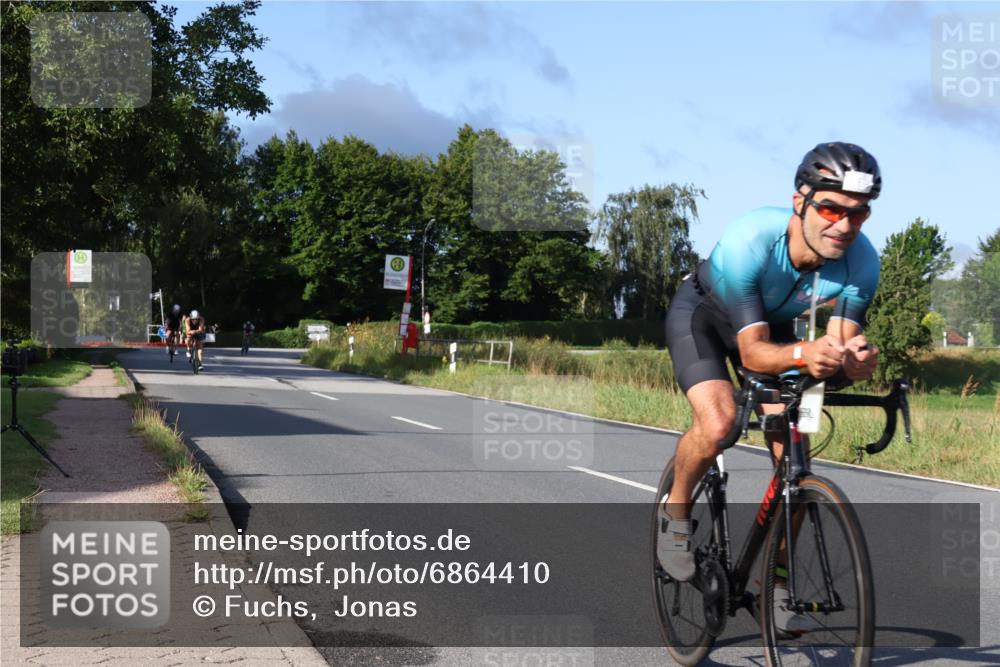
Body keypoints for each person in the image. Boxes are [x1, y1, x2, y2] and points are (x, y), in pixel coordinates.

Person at [660, 142, 883, 630]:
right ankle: (674, 518)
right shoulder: (752, 238)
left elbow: (840, 342)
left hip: (772, 332)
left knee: (795, 466)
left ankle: (777, 585)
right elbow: (752, 354)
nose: (844, 226)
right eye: (831, 208)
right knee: (719, 423)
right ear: (800, 201)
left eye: (859, 215)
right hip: (703, 317)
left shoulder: (863, 262)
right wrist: (808, 353)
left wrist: (855, 360)